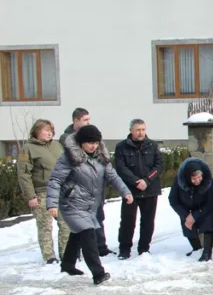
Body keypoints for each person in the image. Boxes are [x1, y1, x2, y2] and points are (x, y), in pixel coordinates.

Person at [46, 125, 133, 285]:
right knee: (88, 234)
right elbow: (55, 180)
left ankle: (68, 265)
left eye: (95, 142)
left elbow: (113, 176)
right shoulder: (69, 157)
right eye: (89, 142)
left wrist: (125, 192)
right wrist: (51, 203)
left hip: (90, 205)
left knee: (78, 234)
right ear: (81, 143)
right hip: (70, 203)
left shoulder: (101, 157)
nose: (93, 145)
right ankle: (98, 273)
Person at [60, 108, 113, 257]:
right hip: (78, 186)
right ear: (76, 120)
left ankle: (101, 247)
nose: (88, 122)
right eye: (85, 120)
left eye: (89, 120)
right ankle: (79, 252)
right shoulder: (66, 137)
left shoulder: (93, 135)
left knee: (98, 217)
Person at [17, 119, 68, 264]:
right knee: (45, 225)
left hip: (60, 191)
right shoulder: (28, 148)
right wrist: (30, 195)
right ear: (37, 131)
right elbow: (23, 173)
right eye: (46, 130)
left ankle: (67, 253)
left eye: (51, 130)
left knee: (66, 224)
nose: (49, 133)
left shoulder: (57, 146)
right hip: (41, 192)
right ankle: (49, 256)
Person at [114, 119, 163, 260]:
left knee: (148, 221)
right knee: (127, 222)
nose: (141, 132)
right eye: (137, 130)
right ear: (131, 130)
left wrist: (147, 180)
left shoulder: (152, 145)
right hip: (130, 191)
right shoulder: (121, 147)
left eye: (143, 129)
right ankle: (124, 250)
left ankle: (144, 249)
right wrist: (136, 182)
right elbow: (121, 168)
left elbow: (159, 165)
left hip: (150, 189)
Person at [168, 157, 213, 262]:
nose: (197, 181)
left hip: (205, 209)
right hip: (187, 209)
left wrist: (196, 214)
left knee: (208, 222)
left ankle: (207, 253)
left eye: (199, 177)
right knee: (187, 224)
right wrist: (186, 215)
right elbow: (173, 200)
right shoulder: (179, 181)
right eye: (194, 178)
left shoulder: (209, 182)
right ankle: (196, 249)